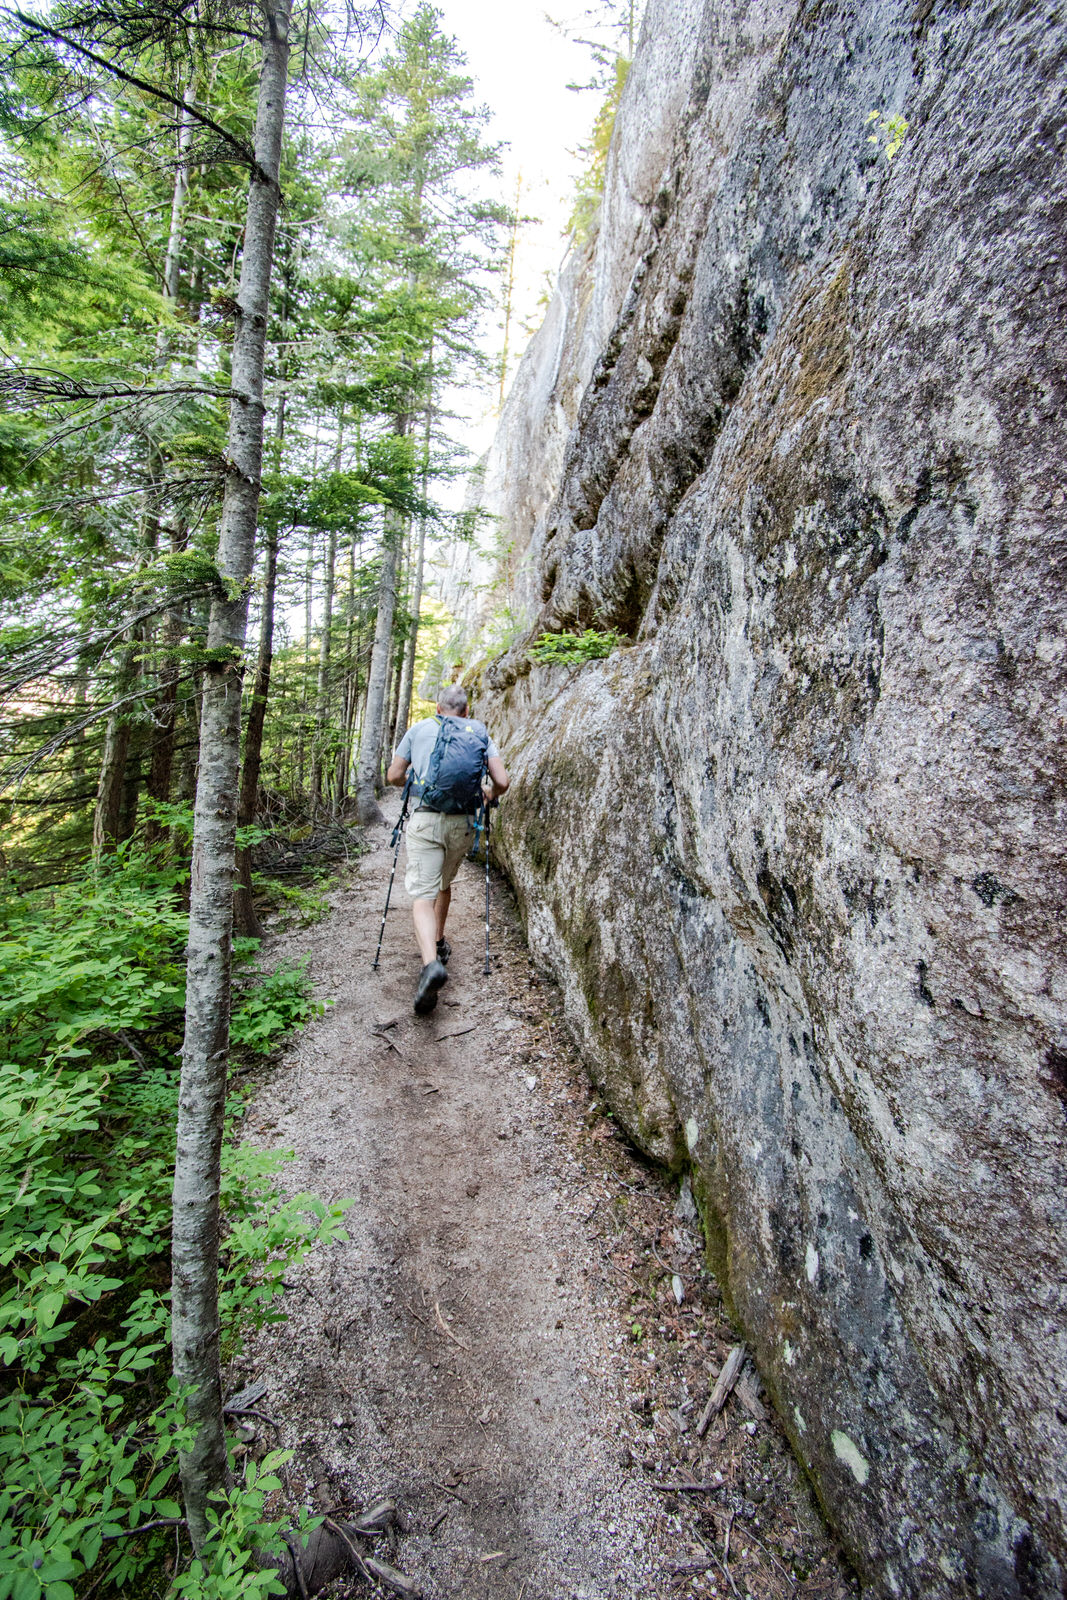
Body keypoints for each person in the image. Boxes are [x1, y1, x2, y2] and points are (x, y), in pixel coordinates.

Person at [386, 684, 509, 1015]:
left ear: (438, 709)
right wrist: (488, 795)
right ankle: (439, 942)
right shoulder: (478, 733)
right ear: (466, 711)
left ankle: (431, 965)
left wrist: (414, 783)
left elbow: (393, 775)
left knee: (422, 896)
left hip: (426, 820)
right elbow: (502, 781)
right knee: (444, 883)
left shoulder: (419, 729)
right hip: (463, 824)